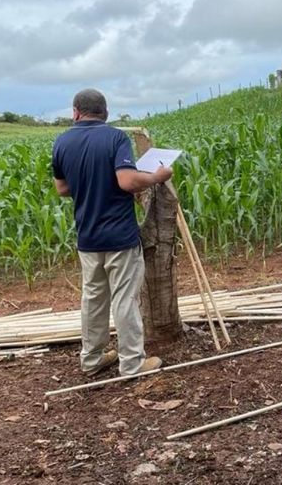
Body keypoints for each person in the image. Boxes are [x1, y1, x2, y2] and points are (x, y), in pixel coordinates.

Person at [52, 89, 172, 376]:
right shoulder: (115, 137)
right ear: (105, 113)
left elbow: (62, 188)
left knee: (93, 298)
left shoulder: (62, 141)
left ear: (75, 112)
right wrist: (157, 177)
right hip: (119, 235)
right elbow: (127, 180)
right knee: (124, 299)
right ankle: (132, 364)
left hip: (87, 236)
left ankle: (91, 359)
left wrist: (91, 183)